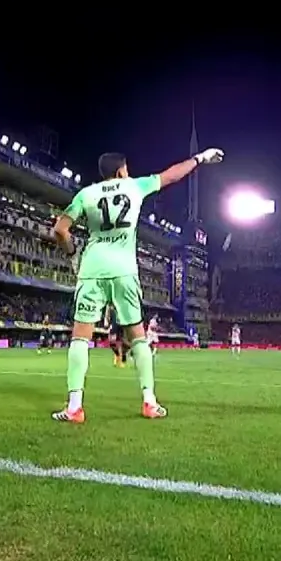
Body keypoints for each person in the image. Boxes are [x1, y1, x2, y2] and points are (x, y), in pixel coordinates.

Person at [50, 146, 225, 423]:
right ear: (121, 171)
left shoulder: (86, 194)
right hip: (124, 271)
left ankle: (74, 407)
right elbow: (171, 175)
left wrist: (72, 253)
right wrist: (199, 158)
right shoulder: (134, 186)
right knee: (139, 338)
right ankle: (149, 402)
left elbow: (60, 230)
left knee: (80, 339)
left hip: (92, 270)